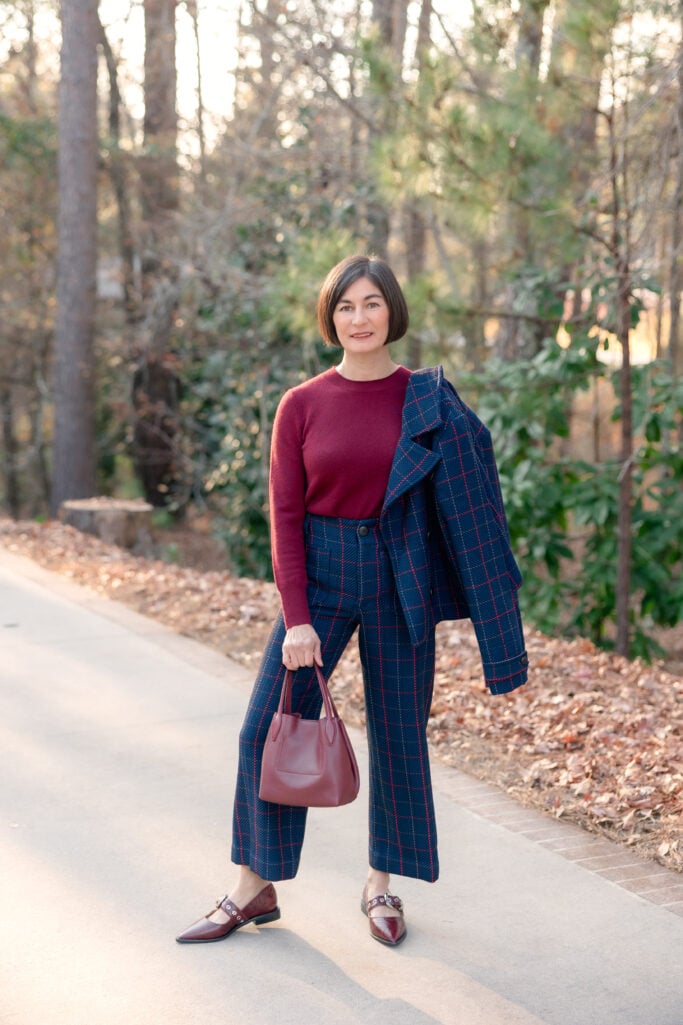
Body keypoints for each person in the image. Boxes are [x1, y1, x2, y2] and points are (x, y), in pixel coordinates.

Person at [176, 254, 528, 949]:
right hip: (325, 571)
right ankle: (255, 886)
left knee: (399, 733)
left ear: (392, 311)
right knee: (264, 728)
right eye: (345, 306)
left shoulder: (426, 398)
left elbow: (471, 500)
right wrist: (297, 616)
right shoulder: (301, 403)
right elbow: (283, 515)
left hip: (402, 570)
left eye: (371, 304)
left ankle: (380, 884)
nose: (359, 318)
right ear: (328, 316)